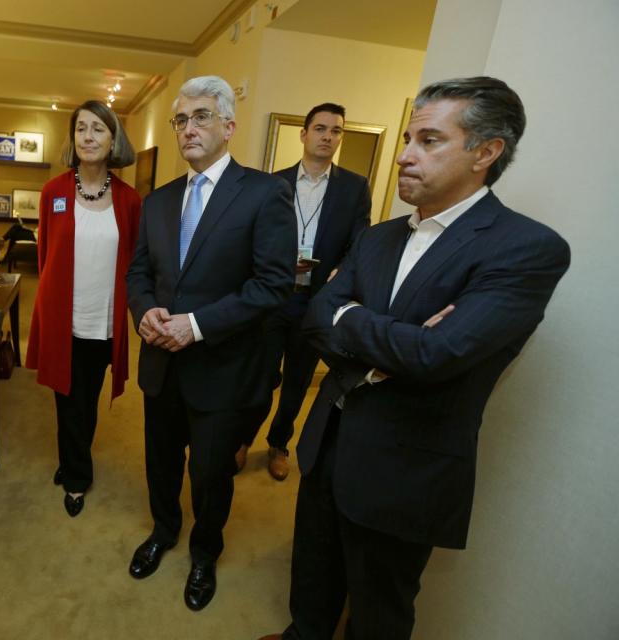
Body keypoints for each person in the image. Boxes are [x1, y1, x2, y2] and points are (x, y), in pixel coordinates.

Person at [258, 77, 570, 640]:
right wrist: (381, 332)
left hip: (405, 468)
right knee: (310, 586)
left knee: (378, 611)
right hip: (327, 443)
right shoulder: (376, 238)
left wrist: (349, 317)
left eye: (429, 140)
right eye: (407, 138)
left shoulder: (525, 249)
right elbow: (315, 318)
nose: (404, 155)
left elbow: (438, 353)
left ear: (486, 152)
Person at [125, 76, 296, 611]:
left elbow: (272, 286)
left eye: (200, 116)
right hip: (161, 363)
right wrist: (144, 311)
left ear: (229, 125)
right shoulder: (159, 201)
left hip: (222, 367)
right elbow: (137, 273)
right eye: (181, 119)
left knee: (210, 472)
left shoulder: (264, 192)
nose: (188, 128)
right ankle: (163, 531)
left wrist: (194, 325)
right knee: (159, 462)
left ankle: (204, 552)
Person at [237, 102, 371, 481]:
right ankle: (243, 438)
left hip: (316, 302)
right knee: (260, 377)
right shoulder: (272, 182)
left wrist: (338, 275)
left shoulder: (354, 186)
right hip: (272, 298)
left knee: (298, 382)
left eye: (336, 130)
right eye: (320, 128)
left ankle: (280, 443)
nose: (328, 136)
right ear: (304, 133)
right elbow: (253, 238)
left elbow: (359, 244)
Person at [25, 100, 141, 518]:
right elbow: (45, 256)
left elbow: (133, 260)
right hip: (62, 317)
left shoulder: (129, 200)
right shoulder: (54, 192)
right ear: (73, 139)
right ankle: (75, 470)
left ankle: (73, 467)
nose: (88, 137)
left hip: (102, 319)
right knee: (65, 396)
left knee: (85, 400)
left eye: (98, 129)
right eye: (81, 129)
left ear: (113, 140)